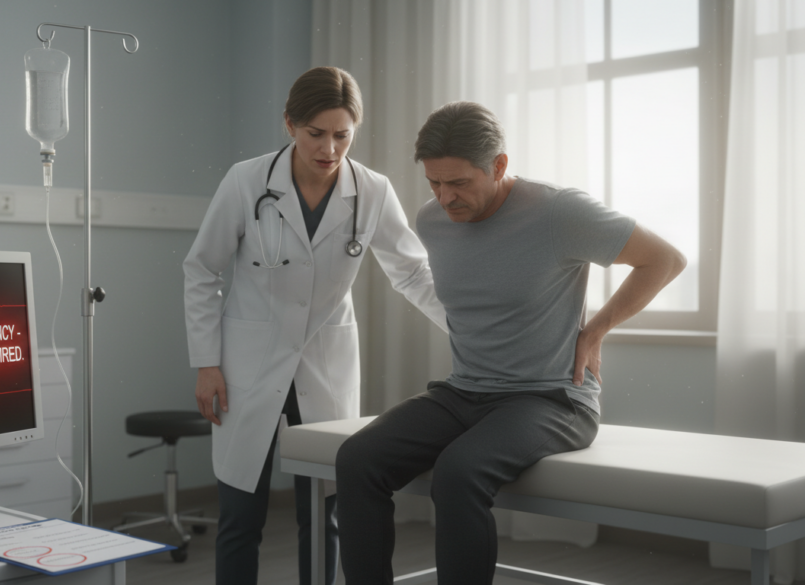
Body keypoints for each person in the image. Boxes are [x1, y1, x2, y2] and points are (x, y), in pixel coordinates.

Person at [335, 101, 688, 585]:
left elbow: (665, 259)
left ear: (499, 165)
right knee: (357, 460)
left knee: (458, 475)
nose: (445, 197)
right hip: (464, 390)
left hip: (552, 398)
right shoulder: (433, 220)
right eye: (435, 183)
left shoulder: (558, 211)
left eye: (459, 183)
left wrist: (596, 329)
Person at [183, 67, 447, 585]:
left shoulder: (371, 190)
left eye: (343, 135)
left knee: (324, 515)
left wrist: (471, 329)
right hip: (246, 364)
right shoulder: (246, 181)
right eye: (316, 134)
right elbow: (202, 269)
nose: (330, 148)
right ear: (290, 124)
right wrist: (206, 363)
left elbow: (412, 271)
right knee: (241, 515)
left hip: (323, 362)